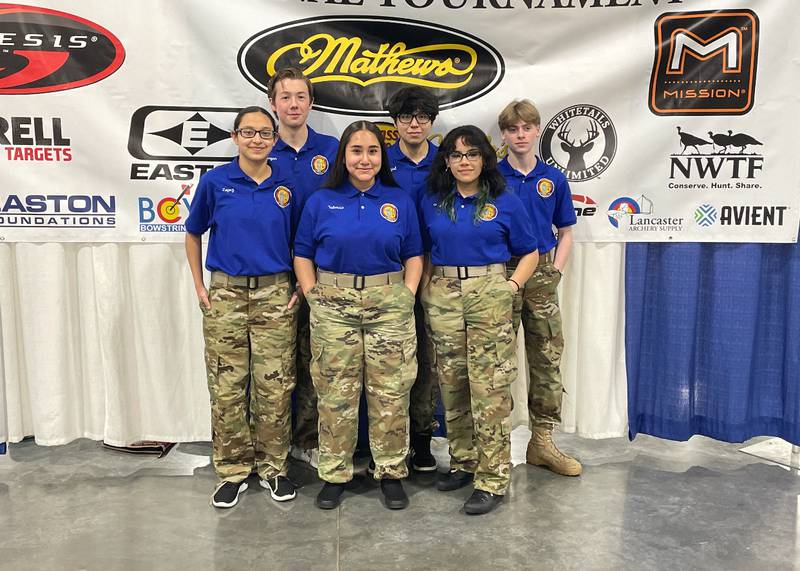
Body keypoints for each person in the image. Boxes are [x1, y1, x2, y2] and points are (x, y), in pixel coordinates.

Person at [294, 121, 423, 510]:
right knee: (335, 393)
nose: (364, 159)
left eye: (372, 151)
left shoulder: (399, 200)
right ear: (344, 156)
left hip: (389, 304)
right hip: (334, 305)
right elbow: (302, 253)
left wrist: (408, 294)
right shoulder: (321, 200)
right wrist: (314, 296)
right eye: (356, 151)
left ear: (381, 157)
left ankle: (390, 471)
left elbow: (415, 254)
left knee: (391, 392)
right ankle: (335, 473)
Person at [419, 125, 539, 515]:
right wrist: (425, 290)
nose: (464, 161)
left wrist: (511, 287)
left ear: (486, 158)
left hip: (489, 293)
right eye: (456, 154)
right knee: (452, 383)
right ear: (447, 161)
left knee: (489, 388)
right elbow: (420, 250)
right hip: (444, 294)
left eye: (472, 154)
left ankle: (492, 478)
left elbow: (530, 252)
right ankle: (463, 461)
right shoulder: (434, 199)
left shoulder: (505, 200)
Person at [185, 106, 300, 508]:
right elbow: (193, 232)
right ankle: (233, 470)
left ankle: (273, 468)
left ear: (274, 139)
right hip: (226, 296)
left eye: (265, 133)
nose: (257, 140)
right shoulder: (216, 182)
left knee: (274, 386)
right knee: (227, 386)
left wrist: (299, 287)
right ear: (235, 137)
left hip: (275, 294)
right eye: (248, 132)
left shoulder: (287, 184)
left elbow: (301, 242)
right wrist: (200, 284)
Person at [497, 100, 581, 476]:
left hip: (542, 277)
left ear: (536, 132)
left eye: (526, 128)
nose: (519, 135)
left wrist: (556, 272)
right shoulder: (491, 178)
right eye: (513, 129)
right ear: (503, 134)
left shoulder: (554, 179)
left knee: (546, 358)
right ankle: (494, 445)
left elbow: (566, 232)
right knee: (497, 360)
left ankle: (542, 442)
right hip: (502, 275)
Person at [267, 67, 339, 469]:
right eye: (285, 97)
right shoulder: (260, 149)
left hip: (321, 275)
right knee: (274, 367)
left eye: (300, 96)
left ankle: (308, 440)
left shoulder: (331, 150)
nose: (293, 104)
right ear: (273, 104)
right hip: (274, 276)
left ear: (311, 103)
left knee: (319, 362)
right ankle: (271, 445)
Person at [383, 86, 441, 472]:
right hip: (391, 270)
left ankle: (421, 441)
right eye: (406, 116)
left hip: (438, 270)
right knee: (386, 363)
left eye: (422, 116)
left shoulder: (447, 162)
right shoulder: (380, 162)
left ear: (432, 121)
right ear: (395, 123)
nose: (415, 123)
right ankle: (377, 441)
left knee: (426, 360)